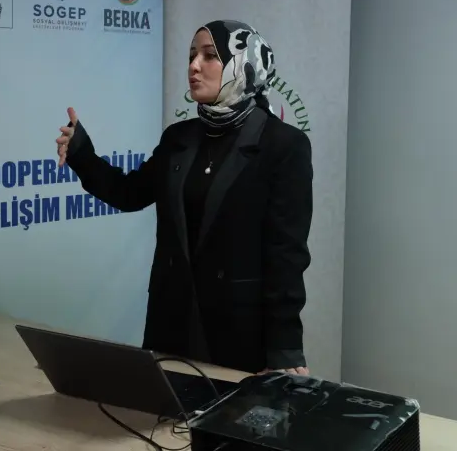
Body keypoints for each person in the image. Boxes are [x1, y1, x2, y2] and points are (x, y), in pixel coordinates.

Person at [55, 20, 313, 375]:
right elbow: (129, 193)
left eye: (209, 56)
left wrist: (286, 350)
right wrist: (82, 153)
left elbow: (286, 255)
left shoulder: (284, 145)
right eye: (192, 55)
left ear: (244, 65)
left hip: (240, 332)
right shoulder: (178, 137)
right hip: (171, 323)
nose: (194, 66)